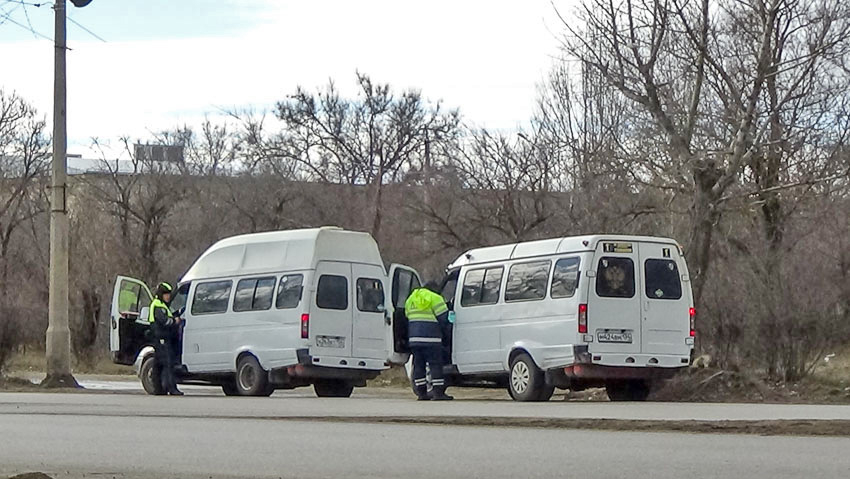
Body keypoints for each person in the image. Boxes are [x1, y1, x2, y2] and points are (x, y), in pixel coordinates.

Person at [405, 281, 452, 401]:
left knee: (419, 366)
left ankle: (421, 394)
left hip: (414, 340)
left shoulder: (411, 299)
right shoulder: (435, 298)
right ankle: (438, 393)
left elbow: (406, 316)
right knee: (435, 365)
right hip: (432, 339)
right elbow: (444, 318)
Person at [149, 281, 183, 396]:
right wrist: (175, 321)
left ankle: (158, 389)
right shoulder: (158, 305)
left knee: (158, 364)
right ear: (160, 294)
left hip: (161, 339)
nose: (168, 296)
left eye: (169, 294)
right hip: (162, 338)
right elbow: (165, 321)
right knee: (168, 363)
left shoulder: (162, 305)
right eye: (166, 294)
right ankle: (171, 388)